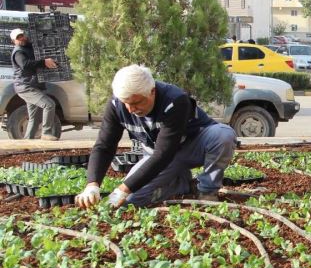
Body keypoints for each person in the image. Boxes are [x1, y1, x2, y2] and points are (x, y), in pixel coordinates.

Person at [75, 65, 237, 208]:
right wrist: (92, 184)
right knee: (129, 201)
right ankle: (183, 185)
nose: (131, 109)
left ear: (152, 91)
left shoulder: (175, 100)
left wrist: (123, 188)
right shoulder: (116, 106)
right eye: (126, 103)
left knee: (223, 135)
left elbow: (164, 153)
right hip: (159, 158)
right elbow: (104, 146)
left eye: (137, 103)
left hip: (193, 147)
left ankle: (207, 191)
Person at [10, 28, 60, 140]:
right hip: (25, 87)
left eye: (22, 35)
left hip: (32, 85)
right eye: (18, 38)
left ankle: (28, 142)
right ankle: (46, 132)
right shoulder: (18, 51)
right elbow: (25, 64)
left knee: (35, 118)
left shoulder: (29, 47)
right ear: (14, 41)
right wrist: (43, 62)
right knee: (49, 104)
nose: (21, 38)